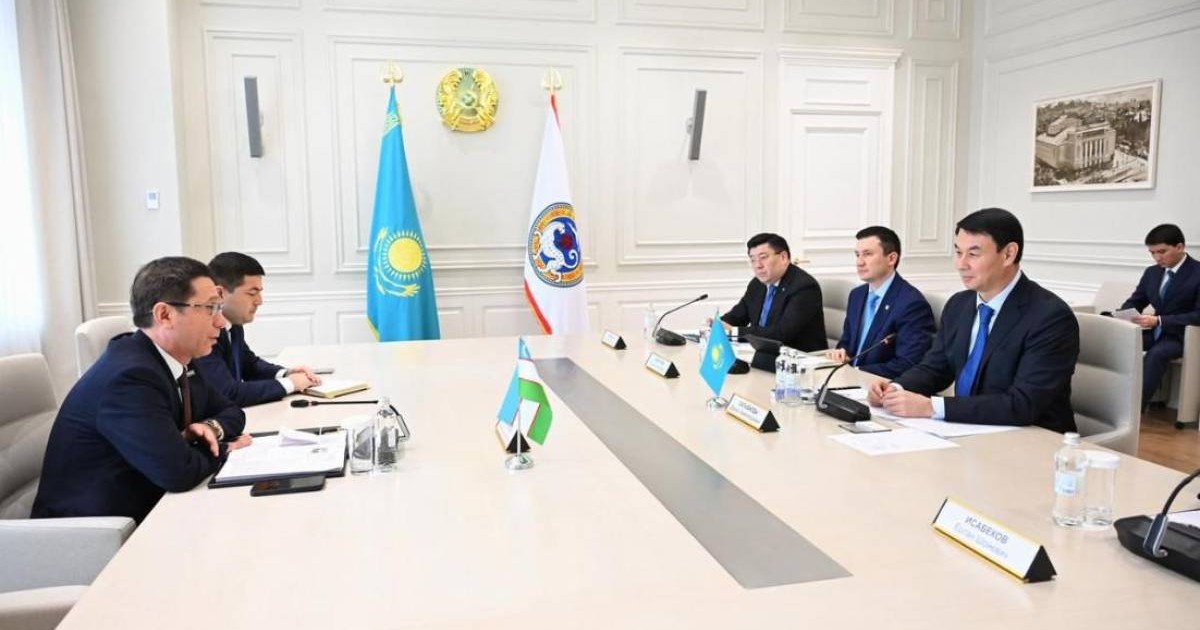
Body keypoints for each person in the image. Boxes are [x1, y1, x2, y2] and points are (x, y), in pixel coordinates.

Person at [33, 257, 251, 523]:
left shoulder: (177, 358)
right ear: (165, 315)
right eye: (209, 308)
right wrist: (226, 449)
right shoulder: (130, 377)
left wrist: (211, 427)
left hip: (149, 504)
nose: (219, 322)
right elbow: (179, 472)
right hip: (95, 531)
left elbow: (232, 411)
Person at [867, 208, 1079, 432]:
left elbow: (1023, 404)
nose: (961, 264)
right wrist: (895, 389)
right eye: (958, 252)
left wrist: (931, 407)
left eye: (973, 254)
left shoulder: (1050, 317)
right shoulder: (959, 305)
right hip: (969, 429)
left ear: (1008, 254)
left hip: (1033, 438)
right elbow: (935, 368)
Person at [194, 252, 321, 407]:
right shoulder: (203, 334)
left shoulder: (234, 324)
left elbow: (250, 365)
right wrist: (291, 384)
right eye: (252, 293)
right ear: (220, 293)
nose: (259, 301)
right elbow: (228, 393)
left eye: (260, 292)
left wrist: (286, 373)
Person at [827, 226, 935, 378]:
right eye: (857, 255)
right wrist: (841, 354)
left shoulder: (911, 304)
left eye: (868, 254)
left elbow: (907, 364)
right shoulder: (857, 295)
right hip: (846, 379)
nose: (859, 262)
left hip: (880, 385)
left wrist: (856, 371)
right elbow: (847, 343)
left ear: (891, 259)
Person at [1119, 224, 1200, 409]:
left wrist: (1160, 320)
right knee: (1118, 344)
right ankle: (1105, 400)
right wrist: (1124, 315)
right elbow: (1136, 301)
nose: (1157, 258)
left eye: (1162, 251)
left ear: (1180, 247)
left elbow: (1198, 315)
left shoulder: (1197, 273)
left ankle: (1130, 410)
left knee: (1158, 354)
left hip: (1182, 335)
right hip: (1154, 332)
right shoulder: (1152, 273)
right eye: (1152, 253)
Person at [721, 233, 826, 371]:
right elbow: (738, 315)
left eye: (763, 258)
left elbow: (782, 333)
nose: (758, 265)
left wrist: (733, 331)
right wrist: (718, 326)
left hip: (798, 365)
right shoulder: (757, 284)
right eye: (753, 260)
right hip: (763, 357)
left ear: (783, 257)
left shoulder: (804, 287)